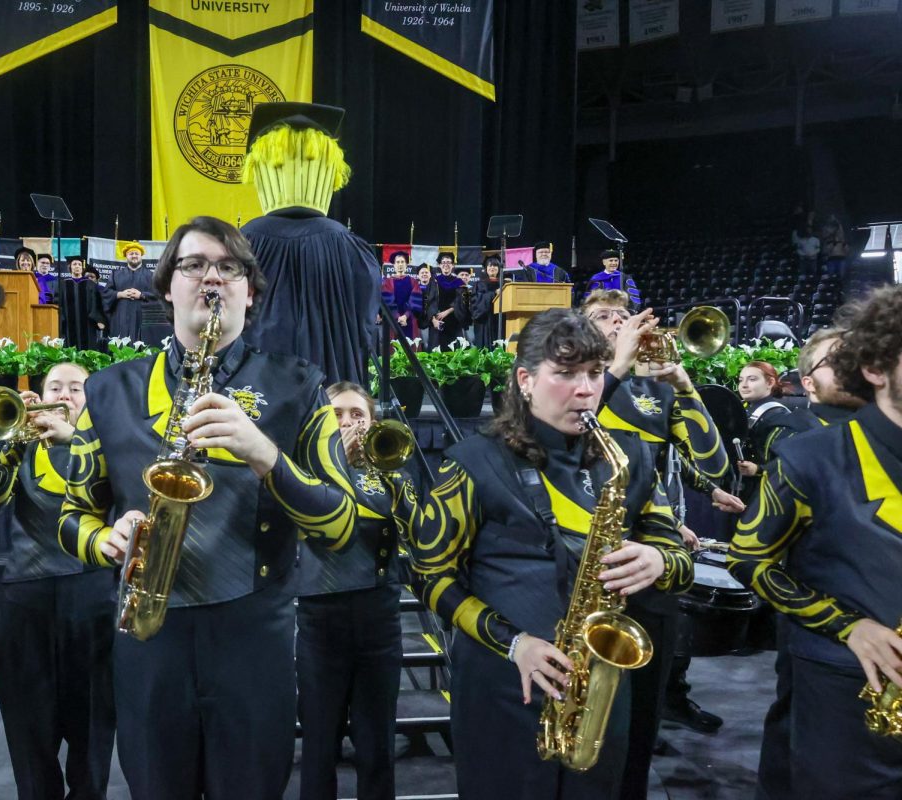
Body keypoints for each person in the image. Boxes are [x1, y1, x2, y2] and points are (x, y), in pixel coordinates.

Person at [59, 215, 358, 800]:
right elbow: (72, 516)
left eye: (229, 267)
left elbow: (341, 524)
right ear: (167, 286)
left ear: (251, 288)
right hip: (148, 637)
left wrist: (263, 452)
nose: (211, 278)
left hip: (253, 637)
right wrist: (105, 540)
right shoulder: (109, 389)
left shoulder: (300, 384)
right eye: (193, 265)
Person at [393, 308, 692, 800]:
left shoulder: (630, 457)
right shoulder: (474, 461)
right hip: (503, 684)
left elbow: (676, 558)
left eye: (596, 373)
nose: (586, 389)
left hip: (598, 691)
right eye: (566, 373)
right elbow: (429, 575)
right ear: (526, 380)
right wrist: (516, 644)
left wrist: (659, 561)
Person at [727, 284, 902, 799]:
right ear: (874, 368)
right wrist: (849, 627)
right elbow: (748, 561)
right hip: (844, 689)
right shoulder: (809, 458)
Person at [582, 289, 739, 794]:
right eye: (603, 317)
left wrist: (685, 384)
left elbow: (715, 468)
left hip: (650, 559)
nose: (617, 323)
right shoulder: (568, 381)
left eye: (623, 316)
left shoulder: (659, 391)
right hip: (580, 555)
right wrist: (618, 367)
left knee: (642, 715)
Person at [0, 362, 115, 799]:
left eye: (76, 388)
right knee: (26, 725)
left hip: (90, 591)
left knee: (92, 724)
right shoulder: (24, 445)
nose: (64, 394)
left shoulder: (105, 445)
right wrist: (13, 444)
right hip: (26, 594)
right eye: (55, 386)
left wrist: (73, 438)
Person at [751, 327, 866, 800]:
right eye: (834, 360)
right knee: (798, 737)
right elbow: (755, 556)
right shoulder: (796, 432)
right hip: (817, 619)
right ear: (809, 381)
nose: (851, 363)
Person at [296, 381, 406, 800]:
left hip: (379, 615)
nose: (348, 424)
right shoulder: (303, 468)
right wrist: (332, 459)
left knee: (377, 744)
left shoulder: (391, 469)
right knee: (319, 745)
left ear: (373, 421)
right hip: (320, 617)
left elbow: (417, 529)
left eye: (357, 415)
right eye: (336, 414)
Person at [241, 102, 380, 385]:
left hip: (258, 375)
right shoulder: (347, 243)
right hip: (330, 374)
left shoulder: (244, 240)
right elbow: (366, 315)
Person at [735, 361, 810, 487]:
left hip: (764, 489)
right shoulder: (740, 408)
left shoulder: (778, 416)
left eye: (752, 379)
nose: (744, 385)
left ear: (770, 383)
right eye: (741, 380)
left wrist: (759, 469)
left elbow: (794, 458)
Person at [99, 243, 156, 342]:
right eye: (131, 253)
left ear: (141, 256)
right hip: (121, 317)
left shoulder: (151, 275)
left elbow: (158, 295)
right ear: (126, 256)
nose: (134, 255)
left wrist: (142, 295)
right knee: (120, 348)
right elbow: (106, 293)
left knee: (142, 347)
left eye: (136, 253)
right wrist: (119, 294)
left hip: (143, 318)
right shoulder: (115, 275)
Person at [59, 254, 106, 349]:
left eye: (79, 264)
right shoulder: (63, 285)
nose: (77, 266)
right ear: (70, 267)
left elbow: (97, 304)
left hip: (88, 324)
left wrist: (98, 319)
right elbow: (59, 304)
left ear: (82, 268)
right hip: (69, 324)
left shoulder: (91, 284)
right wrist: (61, 320)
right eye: (74, 264)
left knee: (88, 349)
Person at [430, 252, 468, 349]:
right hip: (438, 321)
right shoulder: (434, 281)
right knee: (438, 351)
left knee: (455, 350)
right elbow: (429, 302)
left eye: (448, 262)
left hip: (454, 320)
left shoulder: (459, 282)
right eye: (443, 262)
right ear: (439, 265)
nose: (446, 265)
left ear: (453, 265)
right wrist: (433, 319)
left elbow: (461, 301)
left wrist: (447, 312)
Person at [381, 251, 421, 341]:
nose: (400, 264)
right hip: (393, 321)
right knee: (393, 349)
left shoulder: (413, 282)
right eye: (397, 262)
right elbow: (388, 302)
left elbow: (415, 302)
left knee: (411, 347)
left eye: (402, 262)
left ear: (406, 264)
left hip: (410, 321)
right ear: (394, 265)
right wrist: (398, 317)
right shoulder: (387, 282)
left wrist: (405, 316)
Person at [471, 257, 503, 346]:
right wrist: (494, 294)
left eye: (495, 265)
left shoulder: (504, 284)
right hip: (485, 321)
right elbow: (476, 303)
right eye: (490, 266)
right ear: (486, 269)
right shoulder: (479, 284)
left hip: (501, 320)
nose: (492, 268)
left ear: (499, 268)